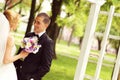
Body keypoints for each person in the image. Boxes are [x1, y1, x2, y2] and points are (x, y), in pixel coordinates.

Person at [14, 13, 54, 80]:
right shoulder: (28, 35)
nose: (35, 24)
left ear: (46, 25)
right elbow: (19, 53)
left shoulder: (47, 42)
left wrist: (32, 78)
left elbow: (46, 67)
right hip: (17, 74)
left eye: (38, 23)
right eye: (35, 21)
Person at [0, 10, 29, 80]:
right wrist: (21, 55)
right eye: (17, 22)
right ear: (12, 23)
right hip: (6, 71)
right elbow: (6, 60)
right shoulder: (10, 38)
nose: (17, 24)